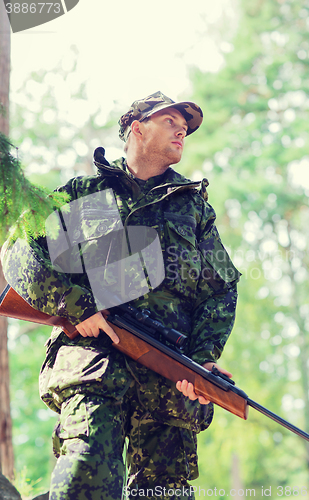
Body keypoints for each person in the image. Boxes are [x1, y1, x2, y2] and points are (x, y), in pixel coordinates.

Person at [1, 91, 240, 500]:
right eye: (170, 121)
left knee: (163, 494)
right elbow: (21, 253)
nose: (182, 129)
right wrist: (76, 306)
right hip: (93, 365)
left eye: (186, 127)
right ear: (137, 128)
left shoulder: (193, 208)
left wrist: (201, 360)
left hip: (167, 380)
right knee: (84, 482)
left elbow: (221, 290)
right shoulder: (88, 195)